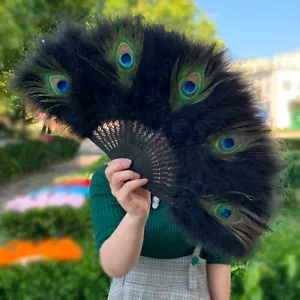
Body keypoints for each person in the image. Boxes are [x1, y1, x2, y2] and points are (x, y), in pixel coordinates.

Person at [89, 158, 232, 300]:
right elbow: (115, 267)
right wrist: (136, 216)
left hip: (191, 288)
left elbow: (219, 259)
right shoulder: (113, 178)